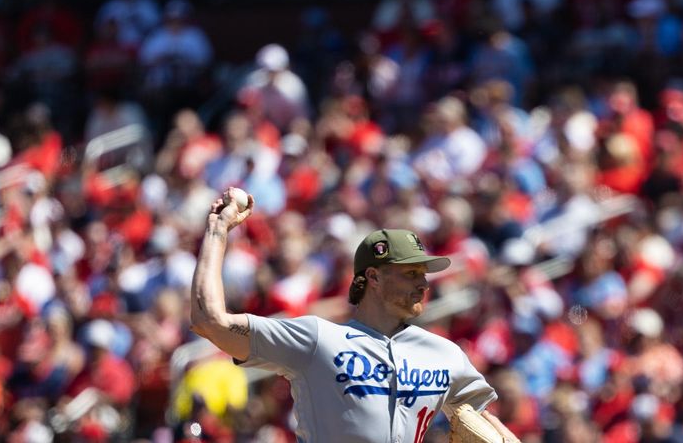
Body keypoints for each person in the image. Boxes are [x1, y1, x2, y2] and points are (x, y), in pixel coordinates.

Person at [191, 187, 520, 443]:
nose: (423, 283)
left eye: (423, 273)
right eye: (409, 273)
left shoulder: (445, 354)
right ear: (373, 278)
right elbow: (210, 319)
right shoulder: (317, 339)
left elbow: (485, 423)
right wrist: (218, 229)